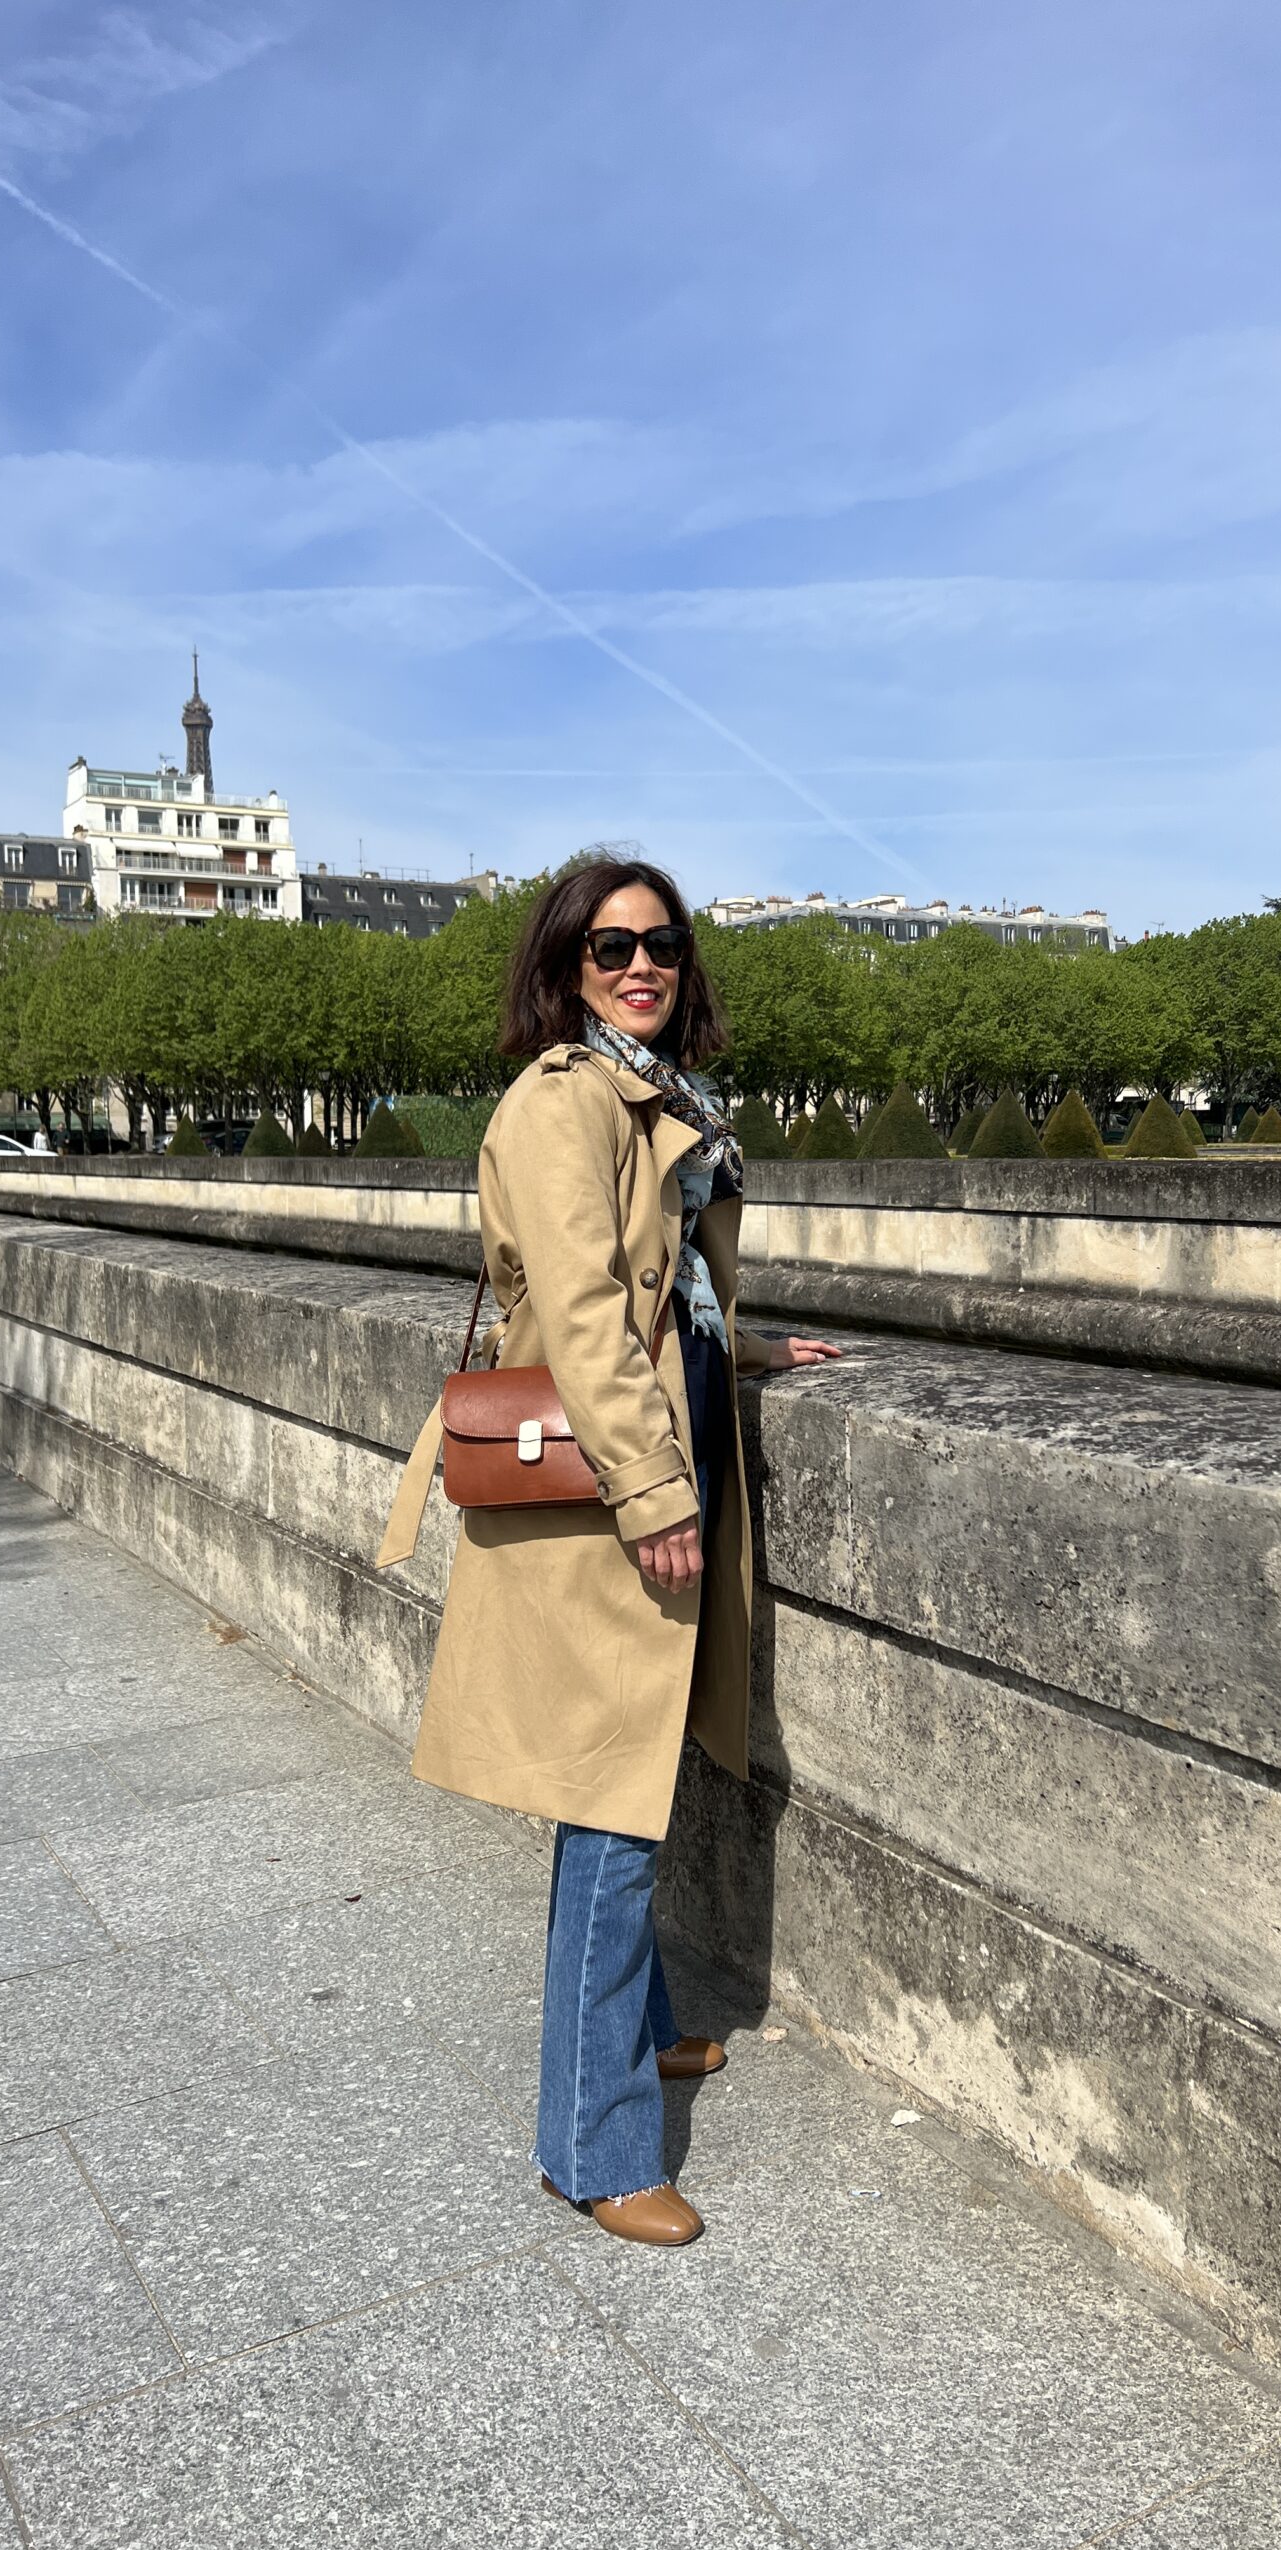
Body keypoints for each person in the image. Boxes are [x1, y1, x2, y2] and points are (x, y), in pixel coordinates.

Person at [377, 857, 840, 2246]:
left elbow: (662, 1291)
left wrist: (750, 1348)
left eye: (663, 945)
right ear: (563, 968)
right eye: (609, 945)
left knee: (625, 1789)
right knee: (613, 1812)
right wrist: (654, 1490)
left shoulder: (653, 1099)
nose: (643, 964)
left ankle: (638, 2036)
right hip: (602, 1502)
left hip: (643, 1469)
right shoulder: (561, 1102)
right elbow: (581, 1309)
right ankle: (593, 2146)